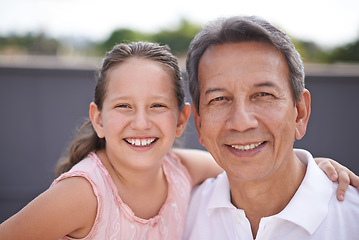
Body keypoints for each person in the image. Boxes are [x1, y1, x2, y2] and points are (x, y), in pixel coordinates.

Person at [0, 41, 356, 240]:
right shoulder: (82, 194)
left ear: (182, 119)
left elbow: (251, 159)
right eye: (124, 106)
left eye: (157, 106)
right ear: (98, 119)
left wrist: (316, 169)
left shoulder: (180, 170)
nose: (141, 122)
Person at [184, 15, 359, 239]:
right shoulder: (179, 214)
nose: (241, 122)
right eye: (219, 99)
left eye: (263, 95)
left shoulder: (353, 219)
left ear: (300, 113)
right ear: (199, 123)